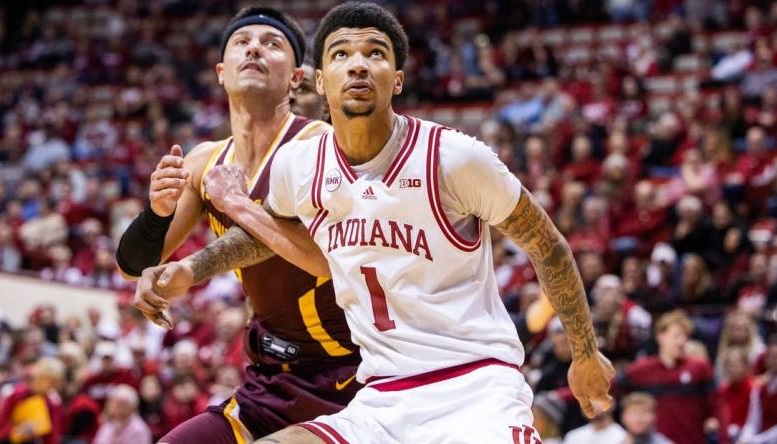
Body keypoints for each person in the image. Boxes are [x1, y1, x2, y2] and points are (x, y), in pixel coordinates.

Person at [136, 3, 615, 443]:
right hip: (380, 397)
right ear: (320, 81)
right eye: (341, 53)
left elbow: (547, 245)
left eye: (375, 53)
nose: (359, 63)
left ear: (398, 78)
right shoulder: (300, 166)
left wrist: (585, 353)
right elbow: (263, 239)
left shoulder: (454, 158)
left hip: (476, 387)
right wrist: (193, 268)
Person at [116, 6, 361, 442]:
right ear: (220, 71)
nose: (254, 48)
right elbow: (133, 265)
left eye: (272, 44)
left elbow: (321, 258)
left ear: (297, 78)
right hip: (272, 377)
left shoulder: (320, 145)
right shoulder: (202, 160)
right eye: (241, 42)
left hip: (353, 372)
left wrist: (191, 269)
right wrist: (156, 213)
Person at [618, 310, 716, 444]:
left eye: (685, 337)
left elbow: (716, 404)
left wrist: (714, 421)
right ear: (660, 336)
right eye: (676, 336)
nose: (681, 342)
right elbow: (612, 387)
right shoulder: (641, 369)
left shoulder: (700, 367)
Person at [0, 357, 65, 444]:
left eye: (55, 382)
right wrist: (15, 431)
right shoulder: (17, 394)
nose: (51, 385)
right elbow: (1, 421)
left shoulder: (53, 403)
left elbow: (53, 436)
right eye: (48, 380)